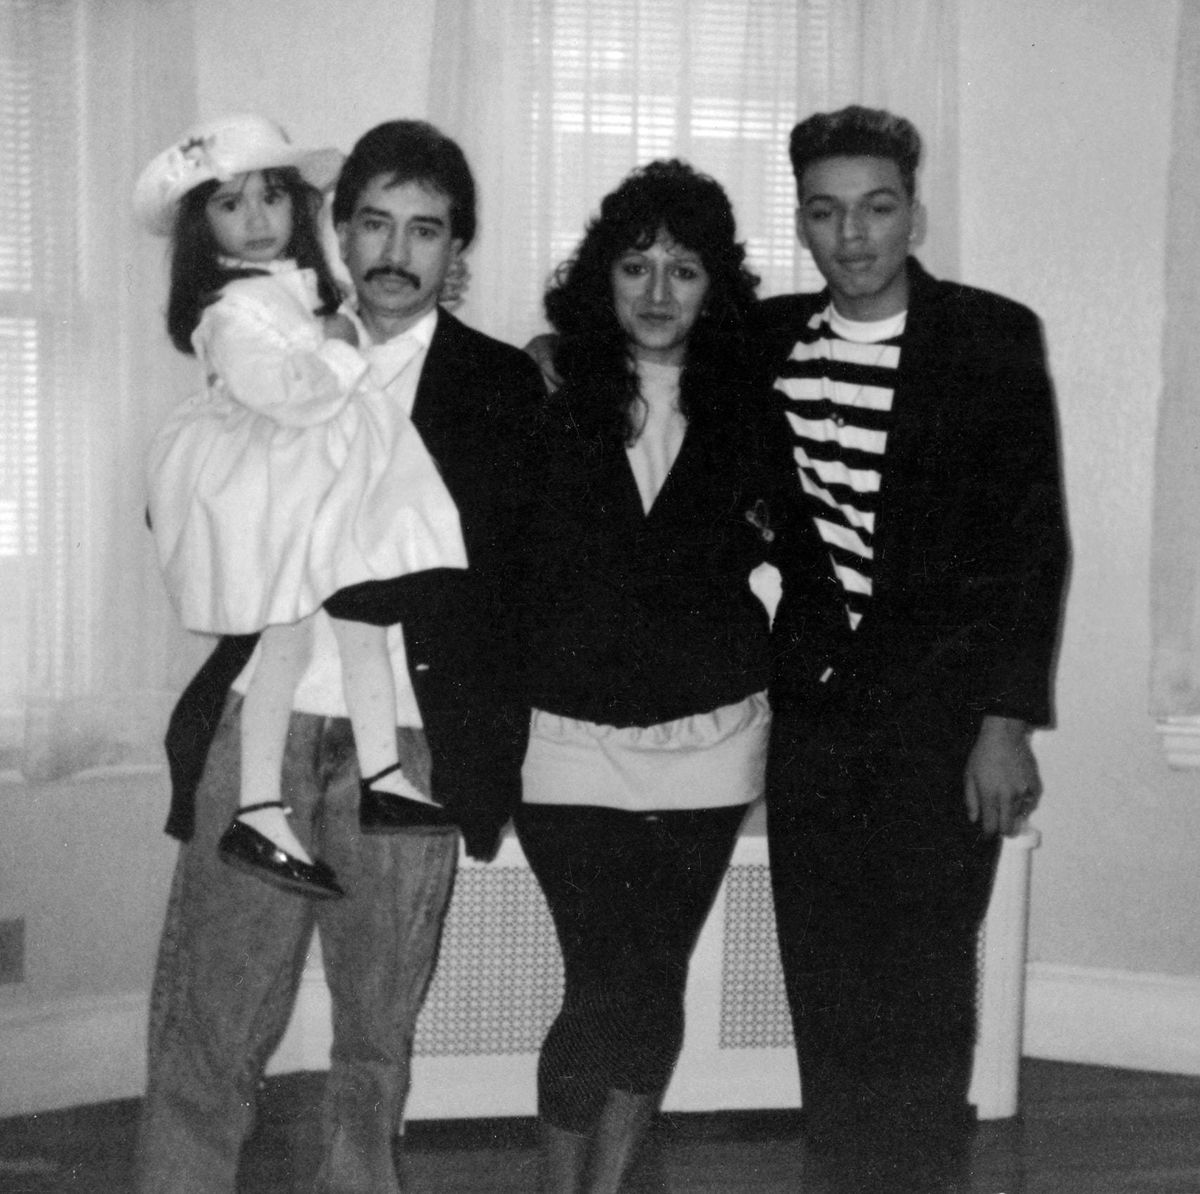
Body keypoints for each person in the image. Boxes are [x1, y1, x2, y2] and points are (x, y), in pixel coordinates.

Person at [134, 119, 544, 1194]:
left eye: (427, 229)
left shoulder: (505, 389)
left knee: (374, 1045)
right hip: (255, 732)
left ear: (459, 248)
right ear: (338, 226)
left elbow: (507, 580)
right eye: (373, 222)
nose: (396, 253)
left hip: (405, 739)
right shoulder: (266, 335)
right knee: (207, 1031)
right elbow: (186, 509)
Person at [756, 106, 1068, 1191]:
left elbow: (1033, 545)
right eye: (828, 211)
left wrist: (1004, 724)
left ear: (914, 214)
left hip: (944, 724)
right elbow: (634, 340)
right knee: (825, 987)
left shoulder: (989, 337)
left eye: (877, 208)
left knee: (927, 991)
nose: (854, 235)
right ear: (801, 223)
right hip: (814, 722)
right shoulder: (765, 342)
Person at [512, 159, 829, 1194]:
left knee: (651, 977)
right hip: (565, 737)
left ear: (715, 286)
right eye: (636, 265)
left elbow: (808, 556)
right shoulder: (547, 388)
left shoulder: (753, 403)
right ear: (601, 276)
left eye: (684, 270)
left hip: (711, 734)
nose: (657, 292)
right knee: (598, 978)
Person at [134, 114, 470, 901]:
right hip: (270, 516)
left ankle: (384, 773)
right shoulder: (238, 311)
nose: (256, 220)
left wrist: (337, 327)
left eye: (272, 198)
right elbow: (289, 388)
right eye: (229, 204)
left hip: (342, 558)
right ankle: (258, 807)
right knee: (284, 642)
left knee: (364, 614)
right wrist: (341, 345)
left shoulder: (302, 295)